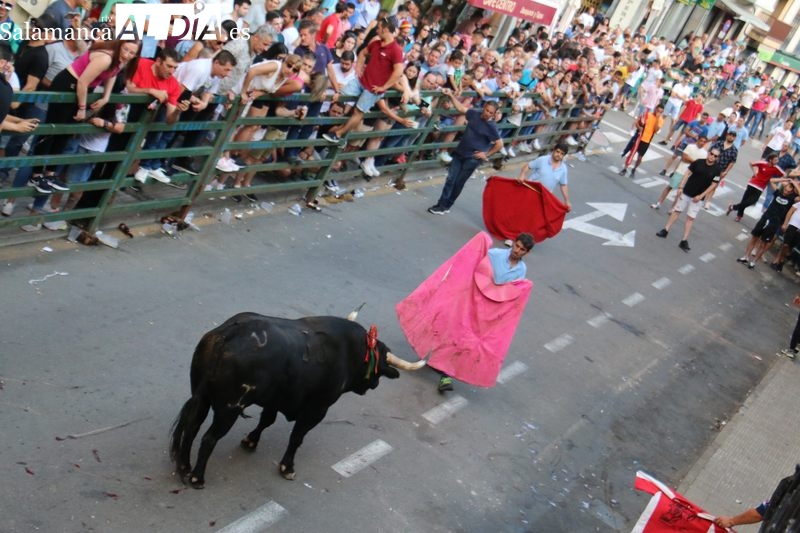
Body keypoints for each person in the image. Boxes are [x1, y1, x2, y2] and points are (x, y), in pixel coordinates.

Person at [321, 17, 404, 145]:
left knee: (358, 112)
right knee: (340, 95)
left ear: (386, 29)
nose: (376, 30)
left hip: (373, 88)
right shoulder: (376, 43)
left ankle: (338, 135)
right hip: (361, 81)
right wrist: (358, 68)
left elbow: (398, 71)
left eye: (379, 28)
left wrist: (384, 87)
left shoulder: (396, 50)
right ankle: (330, 126)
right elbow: (363, 53)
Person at [427, 93, 502, 215]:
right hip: (460, 152)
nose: (487, 113)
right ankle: (441, 204)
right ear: (484, 108)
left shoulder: (491, 126)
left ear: (494, 115)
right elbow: (461, 109)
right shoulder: (474, 114)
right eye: (486, 110)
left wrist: (486, 155)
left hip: (472, 158)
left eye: (490, 112)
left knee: (458, 182)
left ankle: (446, 205)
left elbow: (499, 144)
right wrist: (451, 96)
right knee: (451, 178)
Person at [656, 149, 722, 252]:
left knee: (690, 218)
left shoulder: (717, 169)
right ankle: (665, 230)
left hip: (698, 198)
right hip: (687, 192)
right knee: (677, 211)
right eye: (711, 154)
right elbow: (687, 173)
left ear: (717, 158)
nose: (712, 156)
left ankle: (684, 240)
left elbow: (714, 185)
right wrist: (681, 187)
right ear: (708, 153)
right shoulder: (698, 162)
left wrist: (701, 196)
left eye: (715, 156)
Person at [736, 177, 798, 269]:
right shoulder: (778, 193)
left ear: (792, 190)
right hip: (765, 218)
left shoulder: (792, 199)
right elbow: (772, 181)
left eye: (789, 189)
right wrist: (785, 180)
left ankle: (754, 262)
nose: (786, 190)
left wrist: (794, 183)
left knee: (764, 243)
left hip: (774, 223)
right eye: (785, 188)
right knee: (754, 237)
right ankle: (746, 257)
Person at [727, 153, 785, 222]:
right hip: (752, 184)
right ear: (770, 160)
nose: (777, 161)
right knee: (744, 200)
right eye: (775, 160)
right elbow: (751, 163)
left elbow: (784, 174)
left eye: (777, 160)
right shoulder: (763, 163)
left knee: (752, 201)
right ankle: (739, 216)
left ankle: (733, 207)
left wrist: (780, 180)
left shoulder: (776, 168)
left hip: (760, 188)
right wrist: (755, 172)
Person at [515, 142, 571, 211]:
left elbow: (563, 185)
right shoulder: (542, 160)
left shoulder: (563, 169)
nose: (559, 155)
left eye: (562, 153)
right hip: (530, 191)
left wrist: (566, 200)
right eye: (557, 152)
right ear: (553, 150)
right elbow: (527, 166)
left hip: (544, 197)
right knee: (521, 210)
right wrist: (522, 175)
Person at [619, 104, 664, 178]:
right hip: (639, 138)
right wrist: (639, 128)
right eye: (658, 110)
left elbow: (656, 130)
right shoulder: (647, 115)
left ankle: (634, 168)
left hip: (646, 141)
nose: (658, 112)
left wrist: (657, 119)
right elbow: (637, 122)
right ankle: (625, 168)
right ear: (655, 109)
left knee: (640, 157)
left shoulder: (660, 120)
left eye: (660, 112)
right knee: (631, 153)